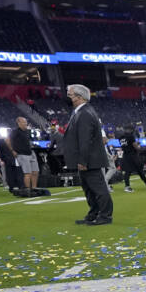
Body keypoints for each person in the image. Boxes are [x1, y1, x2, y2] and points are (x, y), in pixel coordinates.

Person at [62, 84, 113, 226]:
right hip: (88, 158)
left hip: (90, 159)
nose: (68, 97)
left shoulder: (84, 113)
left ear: (79, 97)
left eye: (70, 95)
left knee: (97, 188)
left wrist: (83, 160)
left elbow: (85, 140)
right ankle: (94, 213)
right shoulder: (82, 112)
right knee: (89, 189)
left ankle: (105, 216)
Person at [119, 128, 146, 192]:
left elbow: (126, 145)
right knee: (136, 170)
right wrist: (141, 150)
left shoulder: (120, 138)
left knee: (131, 171)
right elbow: (135, 146)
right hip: (132, 156)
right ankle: (127, 187)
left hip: (125, 155)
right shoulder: (130, 136)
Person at [12, 116, 39, 191]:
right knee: (28, 173)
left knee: (35, 172)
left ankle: (34, 188)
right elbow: (8, 140)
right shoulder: (15, 131)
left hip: (30, 152)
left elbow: (29, 141)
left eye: (26, 122)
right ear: (18, 123)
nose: (26, 123)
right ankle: (27, 189)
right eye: (24, 122)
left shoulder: (27, 131)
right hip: (22, 154)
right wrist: (12, 150)